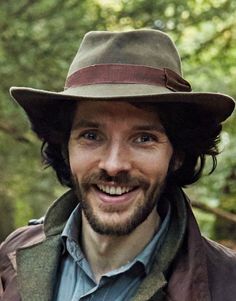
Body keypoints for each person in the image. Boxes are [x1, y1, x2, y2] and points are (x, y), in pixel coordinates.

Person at [0, 29, 235, 301]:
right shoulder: (13, 255)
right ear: (65, 148)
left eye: (144, 138)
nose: (113, 165)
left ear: (177, 155)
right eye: (91, 136)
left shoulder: (227, 284)